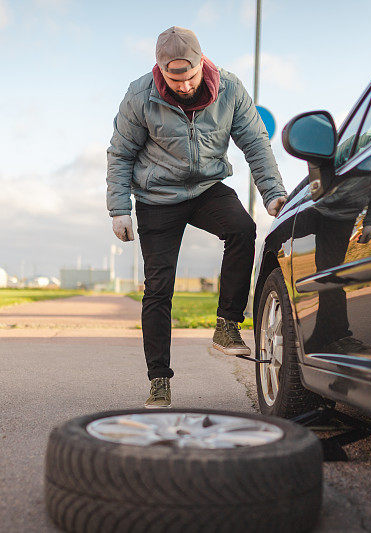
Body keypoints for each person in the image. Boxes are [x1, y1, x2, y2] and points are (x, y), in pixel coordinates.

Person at [106, 26, 287, 408]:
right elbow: (120, 153)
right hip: (157, 197)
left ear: (201, 63)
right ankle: (159, 380)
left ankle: (226, 325)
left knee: (242, 229)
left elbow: (255, 142)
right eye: (175, 79)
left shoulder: (230, 89)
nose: (185, 86)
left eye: (189, 76)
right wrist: (120, 209)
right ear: (160, 71)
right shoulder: (140, 95)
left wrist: (273, 193)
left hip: (206, 188)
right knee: (159, 288)